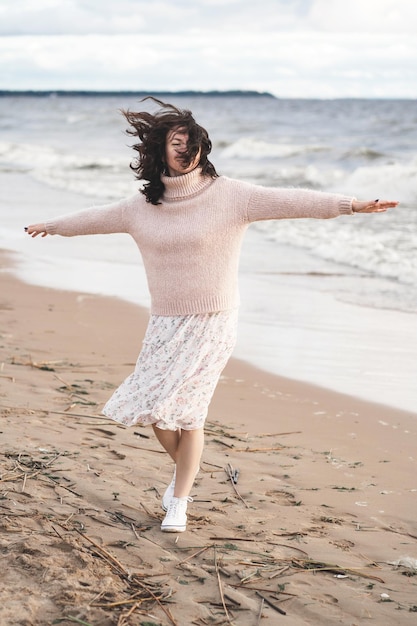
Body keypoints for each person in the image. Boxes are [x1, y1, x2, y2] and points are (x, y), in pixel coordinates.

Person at [26, 97, 399, 533]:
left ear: (204, 148)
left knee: (189, 414)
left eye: (193, 143)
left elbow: (289, 200)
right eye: (177, 143)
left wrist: (349, 204)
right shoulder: (141, 206)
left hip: (215, 320)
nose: (187, 151)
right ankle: (186, 473)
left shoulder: (231, 196)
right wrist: (51, 224)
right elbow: (94, 217)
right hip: (165, 321)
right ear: (159, 151)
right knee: (152, 410)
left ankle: (179, 500)